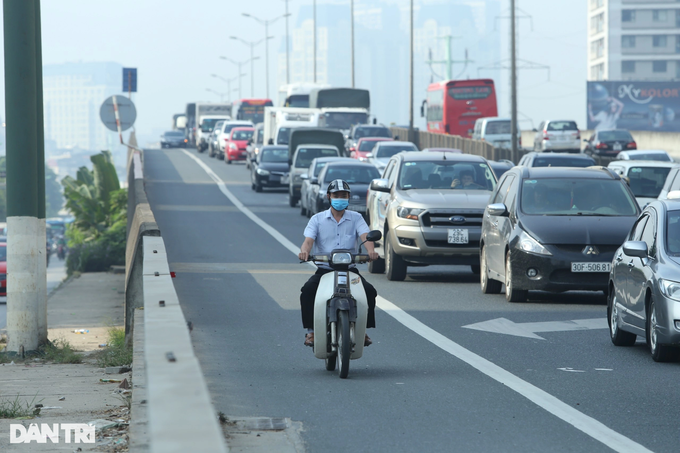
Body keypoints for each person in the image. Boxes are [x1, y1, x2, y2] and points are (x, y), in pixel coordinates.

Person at [298, 179, 379, 347]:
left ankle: (362, 330)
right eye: (336, 195)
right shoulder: (317, 219)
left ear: (349, 197)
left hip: (350, 270)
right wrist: (305, 251)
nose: (340, 198)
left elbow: (365, 236)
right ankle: (311, 332)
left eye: (344, 195)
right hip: (325, 270)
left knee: (369, 292)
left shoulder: (356, 218)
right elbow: (308, 241)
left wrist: (371, 251)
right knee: (307, 292)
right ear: (329, 197)